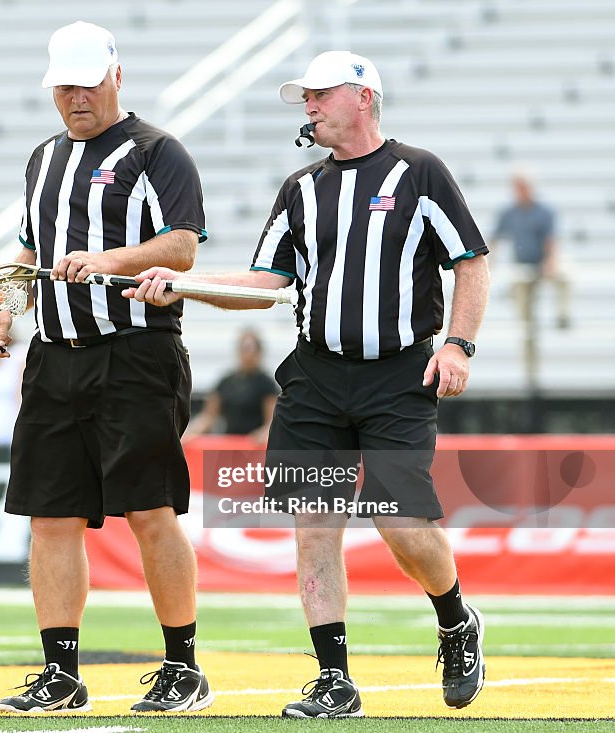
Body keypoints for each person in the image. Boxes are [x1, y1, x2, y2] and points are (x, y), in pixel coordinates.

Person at [128, 51, 490, 718]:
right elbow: (266, 283)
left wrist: (459, 345)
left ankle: (455, 620)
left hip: (396, 375)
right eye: (306, 97)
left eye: (322, 95)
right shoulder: (301, 188)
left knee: (403, 522)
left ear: (365, 97)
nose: (310, 106)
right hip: (317, 376)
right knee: (314, 524)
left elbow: (470, 261)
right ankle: (334, 679)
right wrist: (183, 285)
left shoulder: (419, 172)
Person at [0, 21, 214, 714]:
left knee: (149, 508)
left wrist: (106, 261)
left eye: (87, 81)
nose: (76, 96)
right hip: (55, 354)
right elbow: (29, 250)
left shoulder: (157, 151)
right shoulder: (43, 157)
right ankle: (61, 672)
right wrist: (4, 304)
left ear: (117, 75)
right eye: (64, 85)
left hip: (136, 351)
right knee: (49, 515)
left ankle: (183, 666)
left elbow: (183, 246)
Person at [493, 167, 571, 382]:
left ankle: (563, 314)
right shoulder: (508, 212)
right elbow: (495, 239)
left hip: (543, 263)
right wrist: (490, 266)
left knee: (564, 276)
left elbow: (551, 241)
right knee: (526, 323)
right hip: (522, 269)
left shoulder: (544, 211)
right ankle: (530, 372)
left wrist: (550, 262)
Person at [184, 328, 280, 443]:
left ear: (259, 352)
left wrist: (262, 435)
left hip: (254, 445)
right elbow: (208, 416)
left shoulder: (266, 383)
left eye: (251, 349)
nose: (247, 355)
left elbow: (271, 421)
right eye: (244, 349)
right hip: (230, 444)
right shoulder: (226, 381)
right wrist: (191, 433)